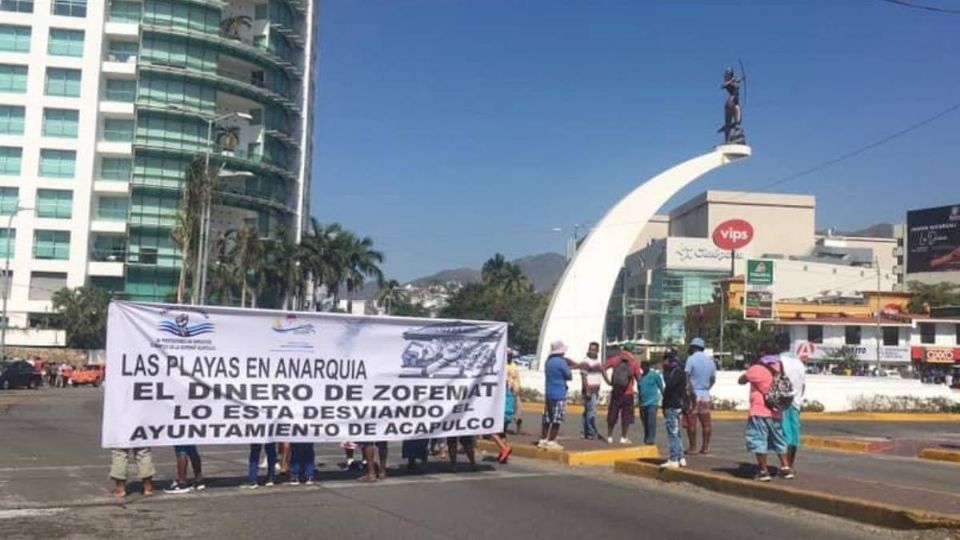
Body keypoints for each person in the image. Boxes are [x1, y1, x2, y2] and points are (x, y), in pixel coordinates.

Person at [738, 344, 790, 482]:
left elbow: (741, 380)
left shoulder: (756, 369)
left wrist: (750, 369)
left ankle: (763, 470)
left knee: (759, 439)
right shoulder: (780, 366)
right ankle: (785, 467)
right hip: (776, 410)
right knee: (779, 438)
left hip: (759, 410)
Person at [602, 342, 642, 444]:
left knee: (612, 414)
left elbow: (603, 367)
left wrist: (608, 381)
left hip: (616, 391)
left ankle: (609, 436)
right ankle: (623, 438)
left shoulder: (616, 359)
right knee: (626, 416)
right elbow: (639, 378)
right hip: (628, 393)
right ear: (632, 350)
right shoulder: (634, 362)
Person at [684, 337, 716, 454]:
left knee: (691, 423)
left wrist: (689, 392)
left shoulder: (691, 359)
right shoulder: (710, 361)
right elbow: (713, 379)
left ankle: (693, 447)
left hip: (693, 395)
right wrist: (707, 388)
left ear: (693, 347)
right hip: (705, 395)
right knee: (706, 423)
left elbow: (687, 377)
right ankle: (705, 447)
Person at [538, 340, 571, 451]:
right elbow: (568, 375)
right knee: (557, 418)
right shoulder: (561, 362)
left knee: (547, 417)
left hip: (549, 392)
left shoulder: (548, 361)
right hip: (559, 393)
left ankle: (543, 439)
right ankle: (551, 441)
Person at [780, 350, 806, 477]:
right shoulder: (799, 363)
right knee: (794, 436)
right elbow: (803, 385)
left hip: (783, 402)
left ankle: (785, 466)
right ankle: (790, 464)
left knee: (784, 435)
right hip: (796, 402)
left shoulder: (779, 361)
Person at [660, 350, 687, 468]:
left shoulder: (672, 373)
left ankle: (674, 458)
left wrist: (665, 371)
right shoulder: (681, 372)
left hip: (672, 405)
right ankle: (681, 457)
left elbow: (668, 388)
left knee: (672, 432)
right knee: (677, 432)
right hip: (678, 405)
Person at [638, 358, 665, 445]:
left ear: (648, 366)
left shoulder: (654, 375)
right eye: (642, 366)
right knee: (645, 422)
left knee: (651, 422)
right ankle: (646, 438)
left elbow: (661, 387)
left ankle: (651, 439)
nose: (644, 368)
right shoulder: (641, 377)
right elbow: (640, 389)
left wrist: (665, 399)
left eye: (645, 366)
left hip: (652, 403)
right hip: (642, 403)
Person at [579, 342, 603, 440]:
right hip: (589, 390)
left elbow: (602, 372)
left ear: (598, 351)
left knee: (587, 411)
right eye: (590, 349)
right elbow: (584, 376)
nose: (592, 351)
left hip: (595, 390)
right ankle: (590, 432)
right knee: (591, 412)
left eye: (594, 349)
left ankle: (584, 431)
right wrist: (587, 390)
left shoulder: (597, 361)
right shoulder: (585, 361)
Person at [505, 351, 525, 434]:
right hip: (506, 391)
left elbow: (517, 378)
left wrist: (519, 389)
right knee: (506, 411)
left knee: (518, 410)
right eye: (508, 355)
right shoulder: (503, 365)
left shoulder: (514, 366)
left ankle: (518, 429)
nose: (510, 357)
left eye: (511, 355)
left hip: (514, 390)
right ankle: (503, 429)